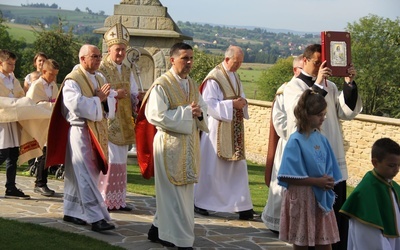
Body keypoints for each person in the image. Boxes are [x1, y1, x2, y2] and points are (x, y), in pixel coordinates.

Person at [283, 44, 363, 250]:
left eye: (323, 63)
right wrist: (318, 83)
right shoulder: (293, 87)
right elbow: (296, 113)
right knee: (308, 230)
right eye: (317, 63)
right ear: (305, 61)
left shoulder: (331, 86)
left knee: (331, 224)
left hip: (330, 155)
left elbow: (346, 112)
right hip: (308, 170)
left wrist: (349, 83)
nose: (321, 67)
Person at [139, 42, 208, 250]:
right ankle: (177, 238)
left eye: (191, 58)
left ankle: (157, 229)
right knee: (173, 193)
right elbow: (155, 115)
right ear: (172, 60)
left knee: (183, 192)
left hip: (188, 144)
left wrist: (199, 113)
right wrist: (188, 113)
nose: (189, 62)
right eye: (185, 58)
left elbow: (203, 108)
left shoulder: (191, 83)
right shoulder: (162, 85)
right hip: (168, 144)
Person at [45, 44, 117, 232]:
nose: (98, 59)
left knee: (81, 175)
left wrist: (105, 100)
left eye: (99, 56)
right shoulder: (73, 80)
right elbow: (75, 105)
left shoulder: (100, 77)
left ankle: (72, 211)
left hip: (97, 131)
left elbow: (110, 100)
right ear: (82, 59)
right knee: (84, 175)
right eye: (94, 56)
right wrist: (98, 100)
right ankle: (95, 218)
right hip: (80, 131)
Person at [193, 45, 254, 220]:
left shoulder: (235, 76)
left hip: (234, 129)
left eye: (241, 62)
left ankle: (242, 205)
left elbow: (240, 95)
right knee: (212, 168)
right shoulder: (214, 78)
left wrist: (242, 102)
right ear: (227, 59)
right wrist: (231, 105)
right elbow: (208, 105)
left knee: (238, 167)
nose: (238, 66)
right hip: (216, 130)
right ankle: (202, 202)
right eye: (236, 62)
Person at [278, 89, 342, 249]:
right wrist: (317, 181)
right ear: (307, 114)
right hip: (302, 198)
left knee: (325, 241)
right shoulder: (295, 141)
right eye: (319, 114)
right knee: (302, 243)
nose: (323, 118)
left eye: (324, 114)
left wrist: (328, 180)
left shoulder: (321, 138)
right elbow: (286, 175)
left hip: (320, 197)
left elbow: (329, 165)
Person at [97, 23, 143, 211]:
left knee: (121, 161)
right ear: (109, 49)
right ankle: (104, 199)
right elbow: (97, 93)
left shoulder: (126, 68)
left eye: (123, 49)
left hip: (124, 120)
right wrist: (116, 93)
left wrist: (136, 98)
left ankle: (118, 200)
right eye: (118, 49)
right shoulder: (101, 68)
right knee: (111, 160)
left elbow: (132, 90)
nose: (121, 53)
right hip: (108, 120)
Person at [262, 55, 304, 233]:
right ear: (296, 70)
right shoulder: (285, 91)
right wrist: (298, 132)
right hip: (288, 145)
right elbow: (279, 121)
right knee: (281, 187)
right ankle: (276, 223)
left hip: (307, 146)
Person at [340, 138, 400, 250]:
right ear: (375, 162)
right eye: (392, 165)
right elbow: (370, 240)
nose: (397, 170)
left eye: (399, 165)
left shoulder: (393, 187)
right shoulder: (365, 193)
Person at [25, 59, 59, 196]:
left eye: (56, 75)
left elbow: (56, 101)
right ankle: (40, 183)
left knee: (47, 152)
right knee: (42, 153)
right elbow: (32, 105)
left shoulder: (53, 85)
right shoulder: (36, 86)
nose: (53, 78)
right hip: (38, 124)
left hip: (49, 123)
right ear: (44, 71)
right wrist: (50, 105)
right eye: (51, 74)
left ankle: (42, 182)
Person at [0, 49, 30, 199]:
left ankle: (10, 187)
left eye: (14, 64)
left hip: (13, 119)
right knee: (2, 154)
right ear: (1, 63)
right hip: (2, 120)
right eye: (9, 64)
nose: (12, 67)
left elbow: (20, 94)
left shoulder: (13, 79)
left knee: (13, 154)